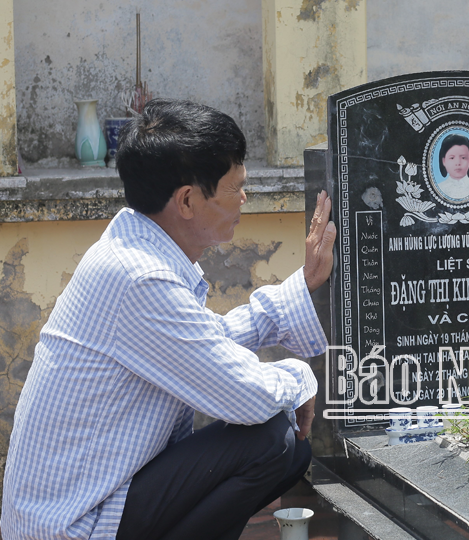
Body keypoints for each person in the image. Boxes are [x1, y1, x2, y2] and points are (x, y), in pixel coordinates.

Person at [1, 99, 338, 540]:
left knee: (288, 446)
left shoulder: (135, 248)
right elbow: (243, 394)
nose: (245, 198)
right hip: (74, 524)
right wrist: (299, 378)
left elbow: (208, 340)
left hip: (98, 499)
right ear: (186, 201)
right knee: (272, 438)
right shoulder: (139, 278)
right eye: (235, 188)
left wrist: (304, 284)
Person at [437, 133, 469, 200]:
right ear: (444, 161)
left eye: (463, 158)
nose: (458, 163)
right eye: (452, 158)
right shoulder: (439, 189)